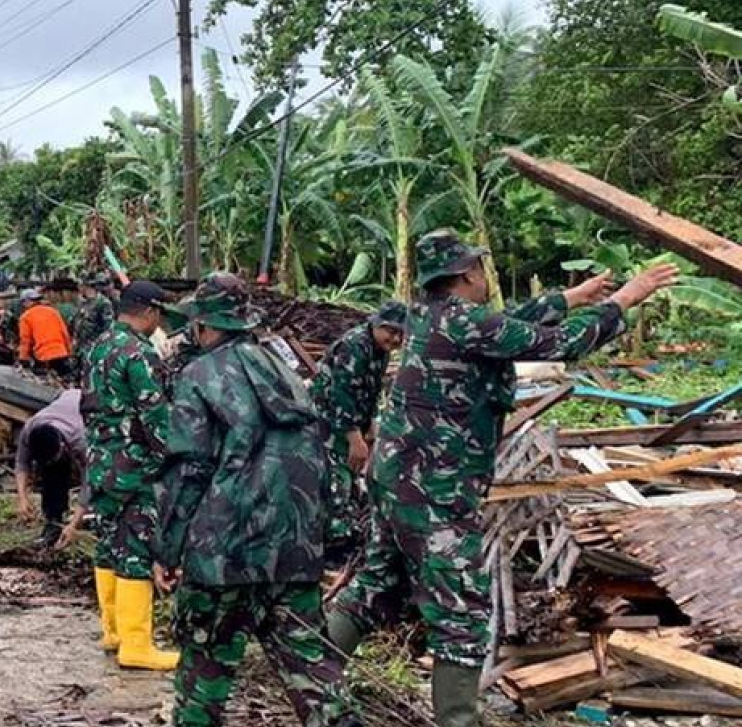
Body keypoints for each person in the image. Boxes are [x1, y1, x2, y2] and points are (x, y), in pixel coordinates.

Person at [328, 230, 678, 727]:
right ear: (468, 273)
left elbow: (508, 325)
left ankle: (312, 679)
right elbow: (558, 343)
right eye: (479, 267)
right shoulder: (464, 321)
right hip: (435, 490)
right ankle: (457, 720)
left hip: (400, 480)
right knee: (461, 612)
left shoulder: (432, 314)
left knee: (378, 584)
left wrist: (569, 297)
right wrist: (624, 300)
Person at [154, 274, 358, 727]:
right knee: (314, 673)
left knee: (203, 677)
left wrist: (167, 549)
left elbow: (189, 468)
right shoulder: (287, 374)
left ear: (204, 326)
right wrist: (332, 534)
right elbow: (322, 456)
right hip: (295, 549)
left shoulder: (199, 375)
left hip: (223, 554)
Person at [80, 280, 179, 671]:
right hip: (133, 466)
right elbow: (154, 415)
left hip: (101, 460)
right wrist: (172, 457)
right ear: (150, 311)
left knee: (109, 544)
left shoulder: (98, 347)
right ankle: (137, 645)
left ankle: (113, 630)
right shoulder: (139, 354)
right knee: (136, 549)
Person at [309, 301, 406, 569]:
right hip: (329, 422)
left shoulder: (379, 351)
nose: (395, 339)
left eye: (400, 334)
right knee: (336, 480)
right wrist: (354, 438)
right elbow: (342, 396)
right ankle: (333, 544)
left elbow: (372, 390)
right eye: (390, 331)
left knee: (350, 478)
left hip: (352, 421)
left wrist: (371, 426)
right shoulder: (354, 346)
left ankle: (346, 533)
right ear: (375, 324)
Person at [14, 389, 85, 547]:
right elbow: (21, 463)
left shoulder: (80, 438)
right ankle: (54, 522)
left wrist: (74, 524)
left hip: (90, 404)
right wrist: (22, 499)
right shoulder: (30, 428)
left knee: (105, 477)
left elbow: (90, 482)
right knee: (52, 474)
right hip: (63, 400)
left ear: (62, 446)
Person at [17, 288, 75, 379]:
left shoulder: (26, 317)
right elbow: (64, 333)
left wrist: (23, 359)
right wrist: (69, 352)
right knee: (65, 381)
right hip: (61, 352)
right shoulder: (53, 312)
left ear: (27, 302)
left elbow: (25, 340)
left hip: (43, 356)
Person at [73, 275, 117, 351]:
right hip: (81, 346)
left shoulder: (103, 303)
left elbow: (108, 327)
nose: (79, 288)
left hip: (94, 346)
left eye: (80, 285)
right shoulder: (83, 303)